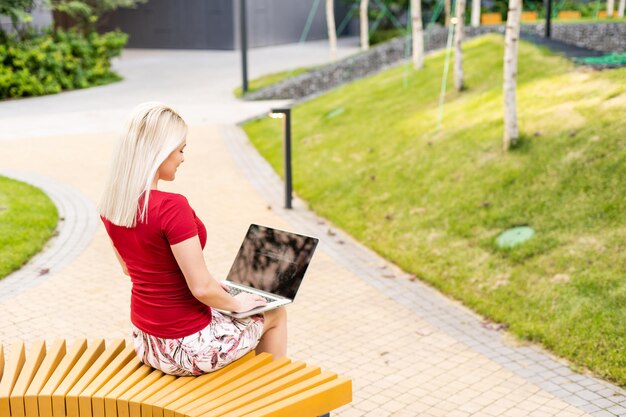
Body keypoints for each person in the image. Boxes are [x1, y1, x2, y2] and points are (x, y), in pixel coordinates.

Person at [98, 102, 287, 376]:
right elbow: (200, 289)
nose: (182, 158)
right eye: (180, 150)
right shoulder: (171, 207)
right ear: (159, 152)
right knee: (275, 313)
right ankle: (277, 397)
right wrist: (237, 303)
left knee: (233, 305)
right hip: (187, 349)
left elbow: (133, 269)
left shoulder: (113, 205)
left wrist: (217, 289)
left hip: (148, 341)